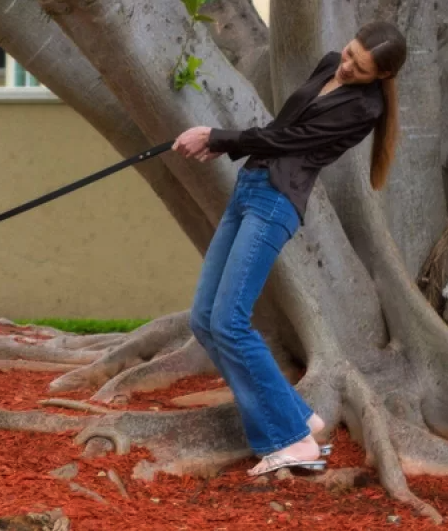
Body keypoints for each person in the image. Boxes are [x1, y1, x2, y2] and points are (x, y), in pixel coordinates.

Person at [171, 21, 408, 476]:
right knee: (205, 319)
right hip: (250, 187)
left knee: (229, 320)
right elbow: (282, 124)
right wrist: (228, 147)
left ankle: (289, 440)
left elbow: (290, 141)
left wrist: (219, 138)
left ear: (380, 77)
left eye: (361, 67)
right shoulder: (327, 67)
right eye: (350, 53)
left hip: (276, 200)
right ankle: (296, 421)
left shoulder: (364, 108)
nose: (348, 65)